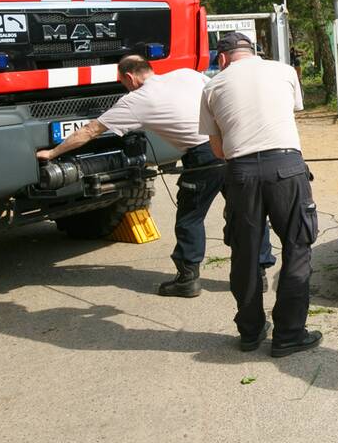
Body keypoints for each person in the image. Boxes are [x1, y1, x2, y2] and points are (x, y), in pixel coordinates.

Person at [36, 54, 276, 297]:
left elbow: (90, 131)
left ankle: (188, 279)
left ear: (129, 77)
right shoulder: (187, 74)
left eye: (123, 83)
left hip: (203, 156)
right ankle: (259, 273)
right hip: (235, 145)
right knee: (249, 210)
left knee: (190, 217)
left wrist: (52, 152)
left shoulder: (137, 100)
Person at [199, 32, 321, 356]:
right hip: (287, 167)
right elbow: (288, 112)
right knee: (297, 247)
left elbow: (217, 149)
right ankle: (289, 334)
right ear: (253, 52)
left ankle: (250, 333)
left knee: (246, 252)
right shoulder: (284, 71)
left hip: (241, 174)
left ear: (222, 59)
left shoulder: (212, 86)